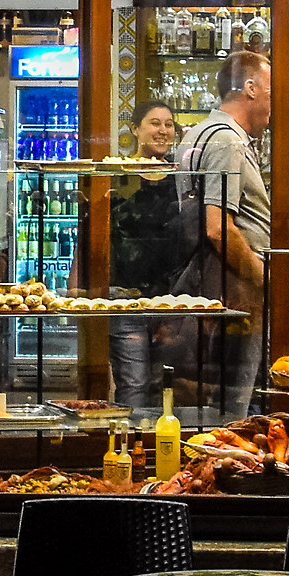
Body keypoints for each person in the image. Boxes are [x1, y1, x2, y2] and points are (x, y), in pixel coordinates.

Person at [174, 48, 272, 417]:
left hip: (214, 285)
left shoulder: (198, 134)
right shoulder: (227, 140)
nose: (272, 103)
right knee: (233, 404)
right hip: (235, 287)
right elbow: (217, 228)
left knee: (210, 396)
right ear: (250, 88)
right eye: (270, 91)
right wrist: (260, 277)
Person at [107, 100, 182, 409]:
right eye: (155, 123)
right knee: (134, 383)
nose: (162, 131)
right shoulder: (122, 177)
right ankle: (129, 451)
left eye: (168, 124)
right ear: (135, 129)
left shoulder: (182, 179)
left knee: (164, 384)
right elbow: (95, 230)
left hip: (174, 301)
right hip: (125, 297)